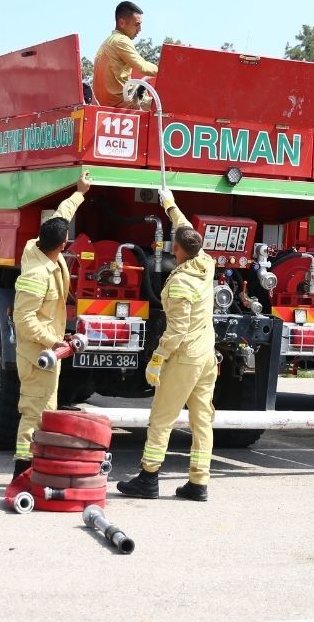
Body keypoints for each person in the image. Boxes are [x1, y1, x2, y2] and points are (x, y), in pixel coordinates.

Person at [117, 189, 216, 502]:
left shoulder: (180, 284)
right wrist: (170, 204)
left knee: (162, 418)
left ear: (176, 249)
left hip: (185, 358)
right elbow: (185, 228)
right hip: (207, 356)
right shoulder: (206, 263)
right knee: (202, 420)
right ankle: (198, 483)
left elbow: (177, 330)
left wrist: (158, 358)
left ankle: (148, 478)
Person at [10, 171, 92, 478]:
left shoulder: (38, 246)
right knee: (34, 412)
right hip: (37, 354)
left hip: (46, 352)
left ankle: (34, 470)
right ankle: (21, 472)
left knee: (45, 411)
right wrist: (53, 341)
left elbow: (60, 216)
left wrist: (80, 192)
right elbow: (24, 319)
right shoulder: (36, 275)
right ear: (64, 244)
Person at [93, 1, 159, 110]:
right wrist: (166, 71)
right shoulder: (121, 40)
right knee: (169, 106)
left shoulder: (108, 42)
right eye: (137, 25)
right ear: (122, 23)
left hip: (106, 103)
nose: (140, 29)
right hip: (123, 102)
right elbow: (143, 67)